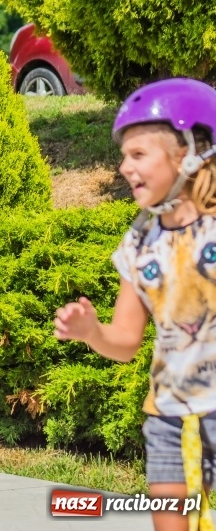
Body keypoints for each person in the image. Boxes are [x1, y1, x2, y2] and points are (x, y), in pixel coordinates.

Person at [53, 78, 216, 531]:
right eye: (124, 155)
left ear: (187, 154)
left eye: (139, 154)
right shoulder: (140, 243)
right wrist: (91, 332)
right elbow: (125, 341)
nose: (125, 167)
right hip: (167, 416)